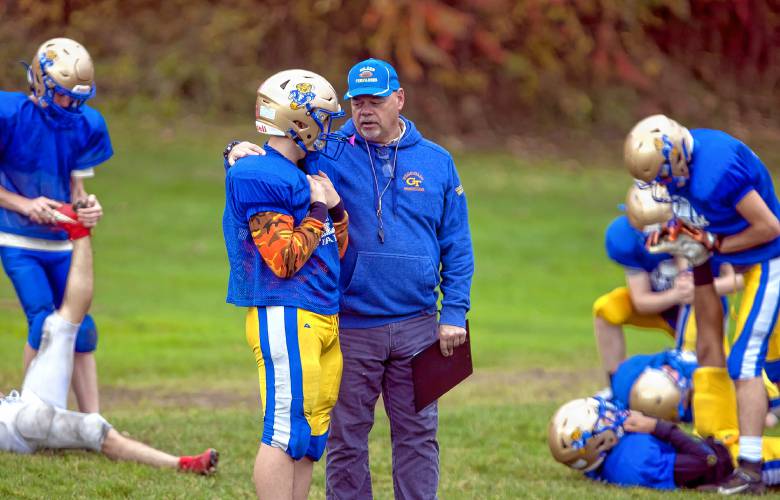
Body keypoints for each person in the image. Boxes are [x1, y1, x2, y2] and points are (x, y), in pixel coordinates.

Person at [226, 58, 475, 499]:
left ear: (399, 98)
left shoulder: (438, 161)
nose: (365, 111)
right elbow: (276, 156)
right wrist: (235, 149)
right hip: (352, 321)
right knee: (345, 440)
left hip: (419, 323)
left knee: (418, 437)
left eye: (376, 101)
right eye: (357, 102)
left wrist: (453, 310)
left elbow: (457, 242)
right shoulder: (328, 152)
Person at [624, 114, 780, 493]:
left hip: (769, 259)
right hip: (740, 261)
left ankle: (752, 470)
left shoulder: (716, 169)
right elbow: (708, 330)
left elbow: (771, 228)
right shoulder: (685, 164)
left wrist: (715, 245)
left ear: (675, 158)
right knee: (712, 351)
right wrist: (694, 253)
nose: (661, 188)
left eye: (661, 177)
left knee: (745, 360)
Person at [0, 204, 217, 475]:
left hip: (23, 403)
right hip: (24, 422)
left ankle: (80, 233)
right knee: (89, 427)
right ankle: (182, 464)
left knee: (61, 325)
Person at [222, 69, 349, 499]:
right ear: (298, 120)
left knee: (309, 437)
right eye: (322, 117)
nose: (328, 127)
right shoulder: (259, 174)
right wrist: (318, 207)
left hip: (320, 313)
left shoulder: (302, 171)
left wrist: (335, 209)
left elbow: (335, 250)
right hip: (287, 312)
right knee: (283, 431)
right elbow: (285, 258)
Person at [548, 260, 780, 493]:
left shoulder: (601, 458)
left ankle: (700, 266)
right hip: (734, 461)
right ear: (597, 443)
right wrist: (657, 427)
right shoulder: (635, 463)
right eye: (603, 418)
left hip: (715, 435)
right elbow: (707, 461)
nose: (611, 414)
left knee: (709, 354)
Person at [0, 37, 111, 413]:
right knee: (43, 321)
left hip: (61, 241)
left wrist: (87, 207)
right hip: (17, 238)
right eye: (64, 95)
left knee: (83, 328)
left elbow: (76, 189)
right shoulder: (9, 114)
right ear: (41, 81)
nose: (71, 105)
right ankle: (28, 412)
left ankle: (92, 418)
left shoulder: (86, 124)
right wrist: (25, 204)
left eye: (78, 97)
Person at [593, 185, 742, 385]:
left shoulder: (699, 229)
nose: (655, 235)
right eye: (646, 227)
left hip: (701, 309)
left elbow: (738, 279)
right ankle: (615, 385)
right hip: (661, 305)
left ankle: (763, 400)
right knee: (606, 309)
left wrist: (703, 288)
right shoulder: (627, 237)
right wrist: (677, 294)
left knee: (717, 370)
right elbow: (641, 300)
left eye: (660, 226)